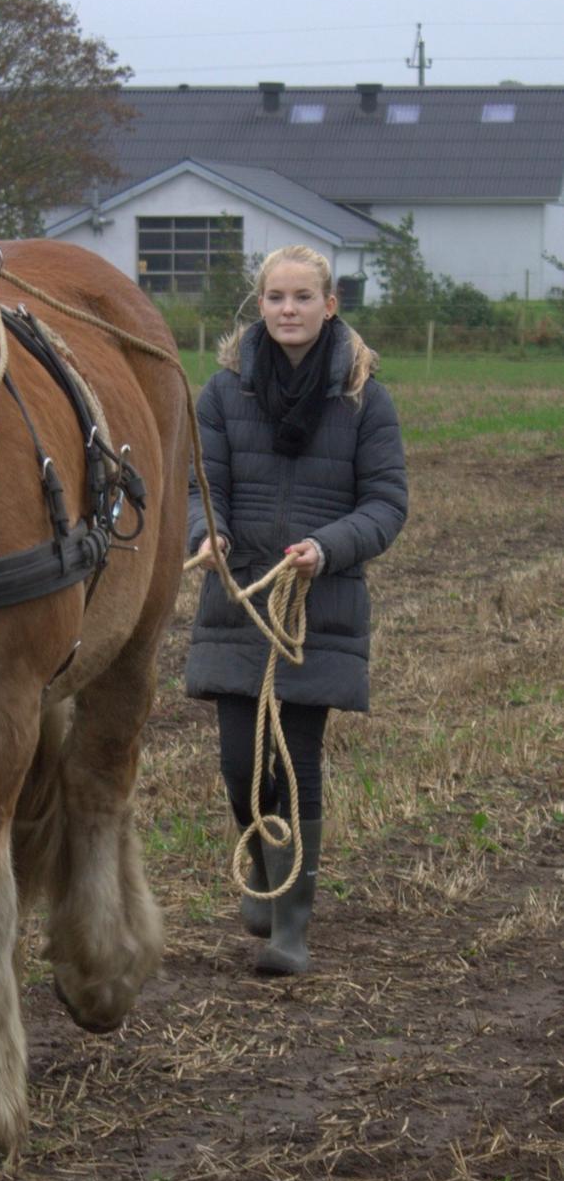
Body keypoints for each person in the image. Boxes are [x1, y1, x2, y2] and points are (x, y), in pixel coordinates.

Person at [185, 245, 408, 975]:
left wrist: (328, 547)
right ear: (261, 304)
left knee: (295, 760)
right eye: (276, 297)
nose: (288, 309)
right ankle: (260, 862)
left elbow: (385, 503)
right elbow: (201, 485)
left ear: (329, 304)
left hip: (318, 604)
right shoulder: (222, 394)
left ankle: (291, 928)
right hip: (239, 597)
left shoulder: (365, 398)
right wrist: (206, 532)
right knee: (236, 761)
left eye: (302, 297)